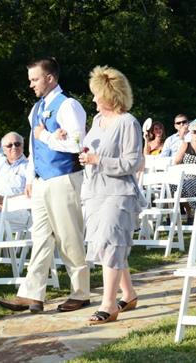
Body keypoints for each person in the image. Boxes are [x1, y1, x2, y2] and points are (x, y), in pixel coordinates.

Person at [0, 57, 90, 314]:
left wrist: (47, 136)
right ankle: (32, 295)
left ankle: (81, 293)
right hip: (40, 181)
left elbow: (76, 144)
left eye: (35, 79)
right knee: (39, 238)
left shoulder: (68, 105)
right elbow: (32, 147)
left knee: (68, 236)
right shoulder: (36, 109)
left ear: (50, 78)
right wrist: (30, 178)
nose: (31, 85)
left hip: (63, 178)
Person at [79, 65, 142, 324]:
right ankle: (128, 293)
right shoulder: (96, 121)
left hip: (119, 192)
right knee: (106, 245)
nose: (93, 98)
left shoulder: (128, 122)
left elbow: (132, 163)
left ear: (109, 94)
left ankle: (109, 303)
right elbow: (94, 150)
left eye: (96, 93)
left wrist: (98, 159)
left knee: (110, 241)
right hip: (95, 191)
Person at [172, 119, 196, 222]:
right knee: (173, 185)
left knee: (185, 184)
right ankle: (189, 211)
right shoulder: (186, 144)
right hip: (186, 176)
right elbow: (176, 161)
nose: (194, 133)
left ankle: (191, 212)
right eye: (193, 131)